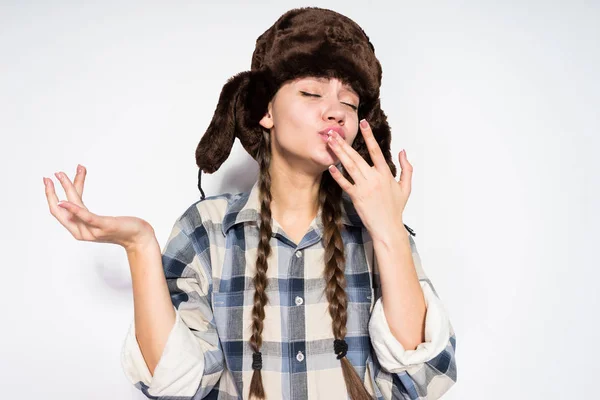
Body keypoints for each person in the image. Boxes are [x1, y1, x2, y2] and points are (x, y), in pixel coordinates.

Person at [44, 7, 457, 400]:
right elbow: (174, 384)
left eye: (349, 103)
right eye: (312, 92)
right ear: (265, 112)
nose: (335, 112)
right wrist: (139, 246)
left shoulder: (379, 226)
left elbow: (421, 378)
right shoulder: (206, 230)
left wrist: (389, 231)